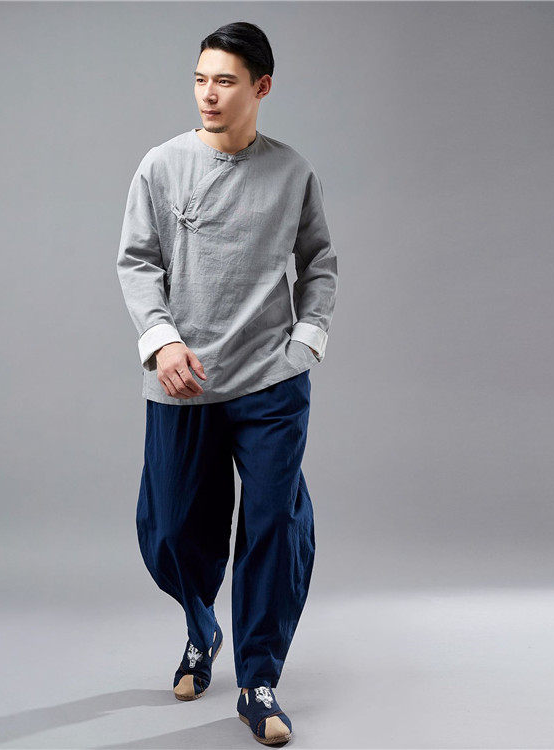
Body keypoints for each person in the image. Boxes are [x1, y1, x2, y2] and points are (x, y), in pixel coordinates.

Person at [116, 20, 337, 746]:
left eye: (225, 81)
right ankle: (199, 624)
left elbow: (319, 262)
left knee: (273, 523)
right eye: (200, 80)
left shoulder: (292, 172)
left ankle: (259, 679)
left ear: (261, 87)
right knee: (173, 527)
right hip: (184, 379)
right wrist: (161, 341)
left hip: (271, 380)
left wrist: (307, 339)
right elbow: (138, 261)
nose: (208, 94)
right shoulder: (162, 165)